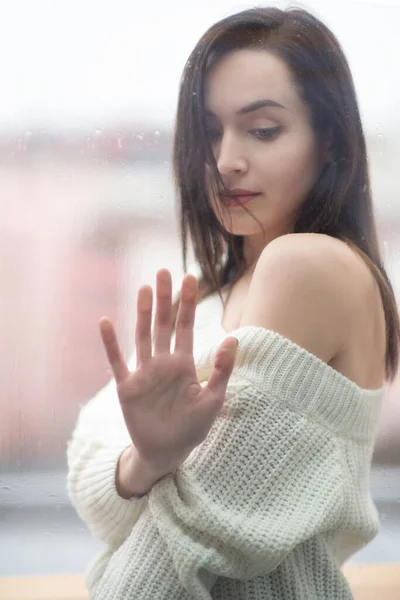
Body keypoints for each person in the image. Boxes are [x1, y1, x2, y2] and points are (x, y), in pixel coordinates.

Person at [67, 5, 400, 600]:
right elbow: (90, 485)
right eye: (209, 132)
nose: (225, 161)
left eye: (263, 129)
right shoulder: (217, 293)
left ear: (328, 142)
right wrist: (147, 461)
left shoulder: (307, 265)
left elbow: (194, 537)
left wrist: (150, 474)